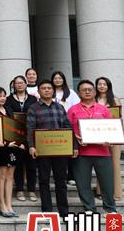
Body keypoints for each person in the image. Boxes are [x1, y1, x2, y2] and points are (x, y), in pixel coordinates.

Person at [27, 80, 76, 218]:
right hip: (43, 150)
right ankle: (47, 210)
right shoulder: (33, 108)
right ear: (39, 91)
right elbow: (30, 128)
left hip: (60, 149)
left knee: (61, 181)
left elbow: (67, 127)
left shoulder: (59, 107)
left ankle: (63, 210)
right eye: (43, 88)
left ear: (53, 91)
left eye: (49, 88)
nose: (47, 90)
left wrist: (73, 146)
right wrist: (31, 146)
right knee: (44, 180)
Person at [67, 80, 117, 214]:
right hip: (81, 153)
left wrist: (110, 140)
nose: (87, 92)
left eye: (90, 89)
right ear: (79, 93)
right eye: (84, 90)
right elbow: (67, 130)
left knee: (107, 183)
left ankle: (110, 209)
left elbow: (112, 128)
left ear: (95, 92)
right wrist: (75, 138)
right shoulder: (72, 110)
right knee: (82, 184)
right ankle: (89, 208)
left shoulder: (103, 109)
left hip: (103, 153)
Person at [0, 87, 24, 218]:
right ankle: (2, 205)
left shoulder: (9, 109)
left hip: (13, 147)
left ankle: (9, 205)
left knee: (10, 176)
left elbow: (15, 128)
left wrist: (19, 143)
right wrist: (3, 142)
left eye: (4, 96)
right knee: (2, 176)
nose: (2, 98)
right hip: (1, 147)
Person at [6, 75, 38, 202]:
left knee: (31, 164)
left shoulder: (33, 99)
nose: (19, 85)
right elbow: (8, 116)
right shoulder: (8, 99)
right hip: (15, 135)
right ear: (13, 85)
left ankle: (31, 190)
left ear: (26, 84)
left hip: (30, 134)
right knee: (18, 163)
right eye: (17, 83)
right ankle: (19, 189)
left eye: (21, 83)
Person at [95, 76, 122, 201]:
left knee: (115, 164)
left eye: (104, 84)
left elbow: (120, 118)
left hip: (113, 134)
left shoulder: (115, 100)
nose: (102, 86)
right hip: (98, 136)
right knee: (101, 164)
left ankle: (116, 193)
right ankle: (100, 191)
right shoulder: (93, 100)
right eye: (99, 84)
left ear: (108, 86)